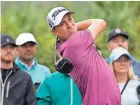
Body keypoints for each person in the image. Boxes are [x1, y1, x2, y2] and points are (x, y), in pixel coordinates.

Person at [46, 7, 121, 105]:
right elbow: (101, 23)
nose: (69, 24)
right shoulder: (76, 41)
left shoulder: (66, 45)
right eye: (62, 24)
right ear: (54, 31)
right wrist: (76, 26)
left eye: (70, 19)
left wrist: (72, 27)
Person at [0, 34, 36, 105]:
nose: (8, 50)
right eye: (4, 47)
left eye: (12, 47)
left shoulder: (25, 78)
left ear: (16, 51)